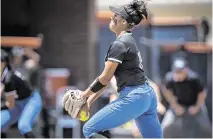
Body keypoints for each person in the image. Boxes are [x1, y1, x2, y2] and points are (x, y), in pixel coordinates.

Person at [62, 0, 162, 138]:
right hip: (147, 95)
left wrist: (83, 95)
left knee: (89, 130)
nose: (112, 17)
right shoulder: (128, 40)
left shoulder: (119, 44)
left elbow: (104, 78)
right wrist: (88, 102)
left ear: (124, 22)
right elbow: (106, 80)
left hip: (134, 97)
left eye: (116, 15)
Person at [161, 58, 212, 138]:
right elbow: (166, 91)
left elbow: (202, 93)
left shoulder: (194, 78)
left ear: (186, 71)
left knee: (206, 126)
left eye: (180, 71)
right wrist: (175, 106)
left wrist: (196, 107)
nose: (178, 73)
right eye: (176, 71)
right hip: (178, 104)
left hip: (195, 104)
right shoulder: (169, 78)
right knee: (165, 126)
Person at [0, 49, 42, 138]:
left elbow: (10, 104)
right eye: (15, 56)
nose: (17, 58)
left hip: (30, 100)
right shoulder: (4, 73)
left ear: (4, 63)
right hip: (17, 101)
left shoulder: (10, 76)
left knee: (23, 126)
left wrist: (27, 50)